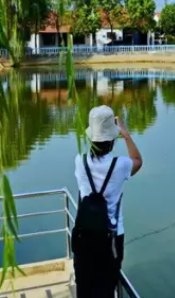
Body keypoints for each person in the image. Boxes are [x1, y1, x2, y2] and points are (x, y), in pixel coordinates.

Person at [73, 105, 143, 298]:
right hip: (111, 238)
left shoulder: (80, 161)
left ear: (90, 138)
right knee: (106, 287)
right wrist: (126, 134)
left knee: (84, 287)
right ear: (113, 139)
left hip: (84, 235)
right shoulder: (120, 165)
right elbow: (137, 160)